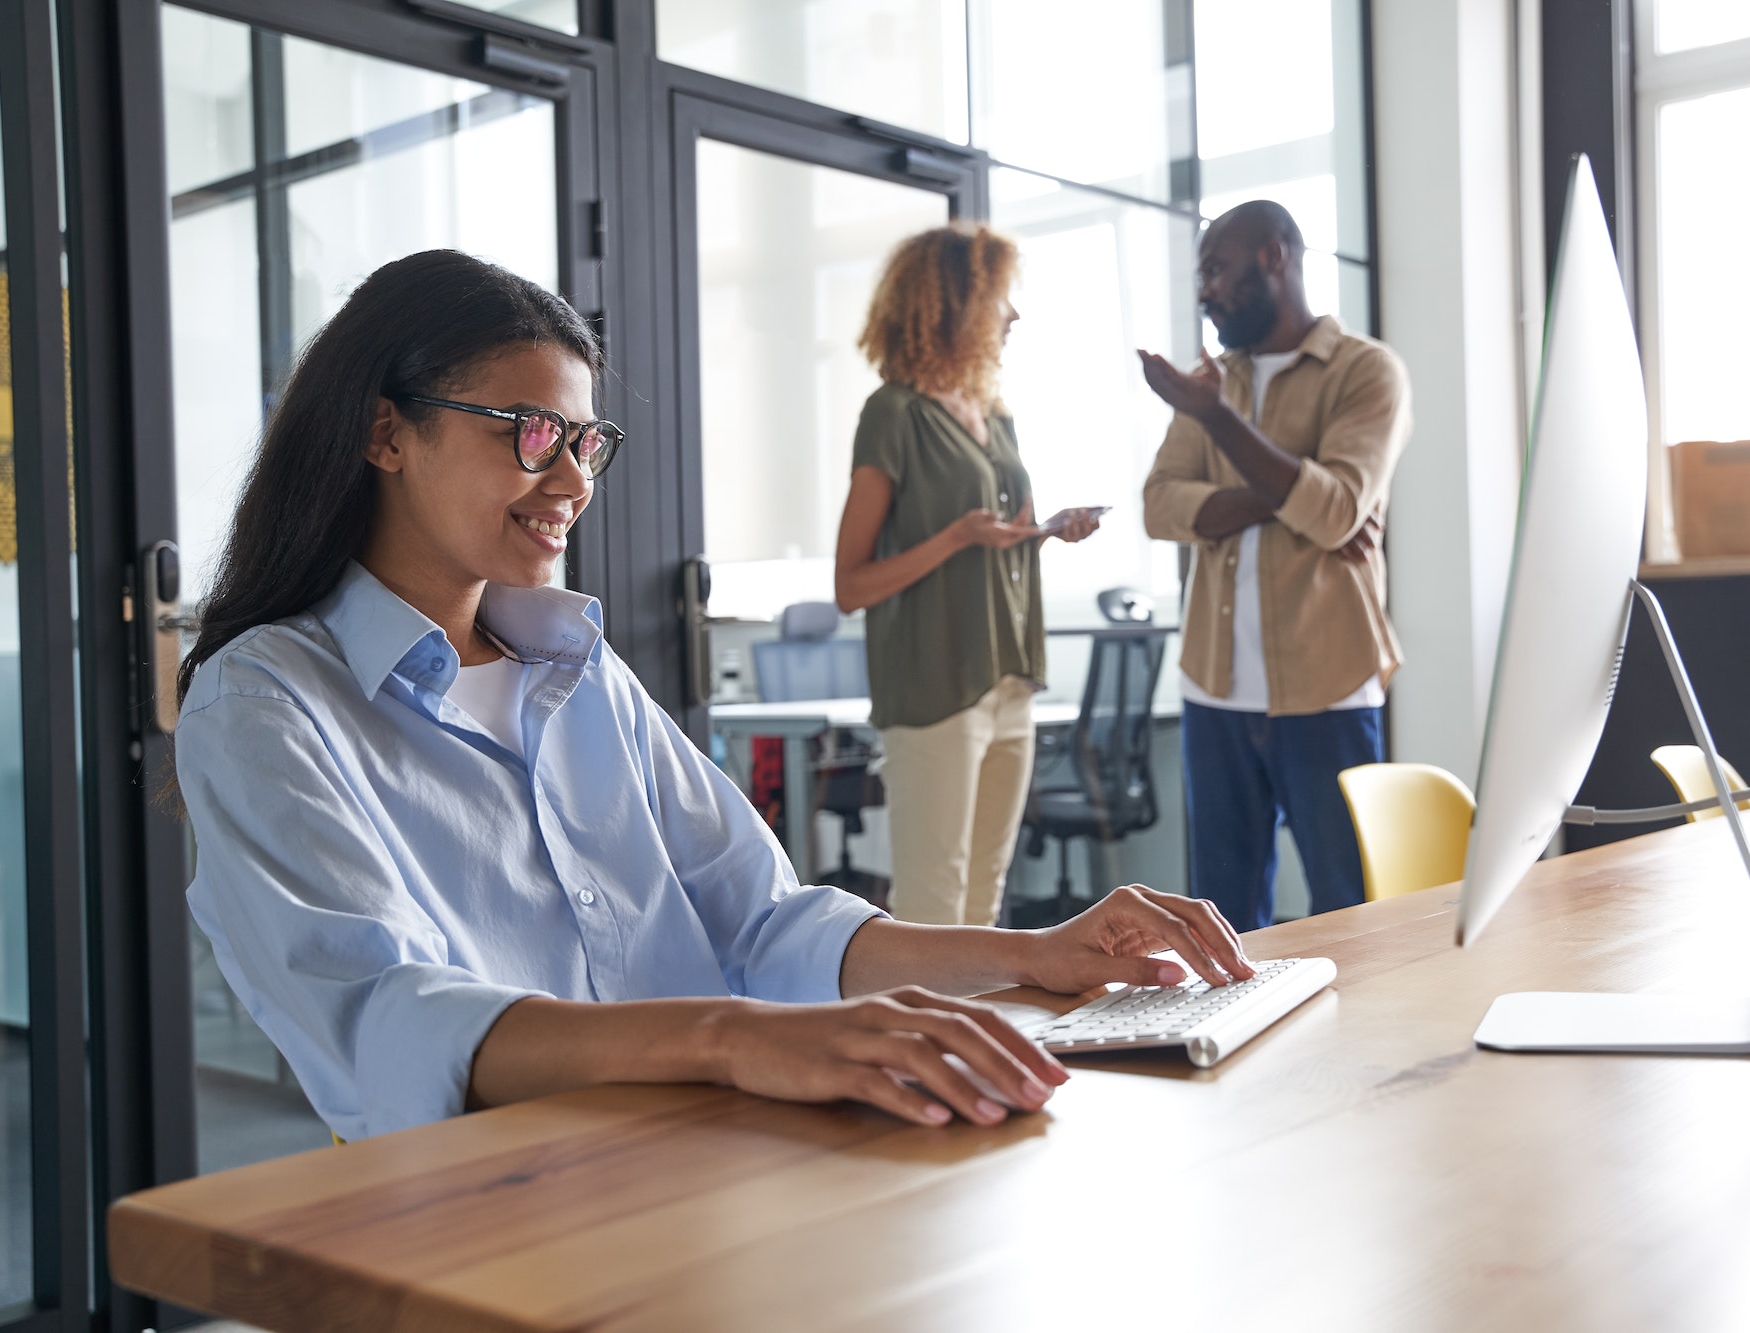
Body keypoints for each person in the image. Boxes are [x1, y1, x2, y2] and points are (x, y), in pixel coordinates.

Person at [173, 249, 1251, 1142]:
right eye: (530, 433)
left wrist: (1035, 951)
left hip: (713, 1155)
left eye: (586, 441)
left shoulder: (577, 669)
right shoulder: (266, 706)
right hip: (497, 1207)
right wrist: (736, 1037)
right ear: (385, 433)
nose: (574, 481)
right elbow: (385, 1018)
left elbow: (765, 920)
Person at [1138, 201, 1411, 931]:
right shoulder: (1212, 379)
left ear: (1273, 258)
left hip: (1330, 685)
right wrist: (1288, 491)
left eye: (1216, 271)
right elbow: (1160, 507)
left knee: (1348, 909)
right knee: (1222, 919)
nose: (1204, 292)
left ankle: (1361, 1049)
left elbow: (1336, 510)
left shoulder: (1366, 371)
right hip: (1214, 688)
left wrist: (1221, 424)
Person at [833, 224, 1101, 927]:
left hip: (1008, 676)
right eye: (999, 300)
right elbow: (850, 585)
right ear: (951, 305)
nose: (1012, 316)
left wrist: (1048, 530)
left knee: (985, 897)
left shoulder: (995, 416)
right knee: (933, 903)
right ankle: (920, 1040)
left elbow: (1006, 537)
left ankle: (978, 1037)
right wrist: (955, 538)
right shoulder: (892, 415)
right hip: (934, 684)